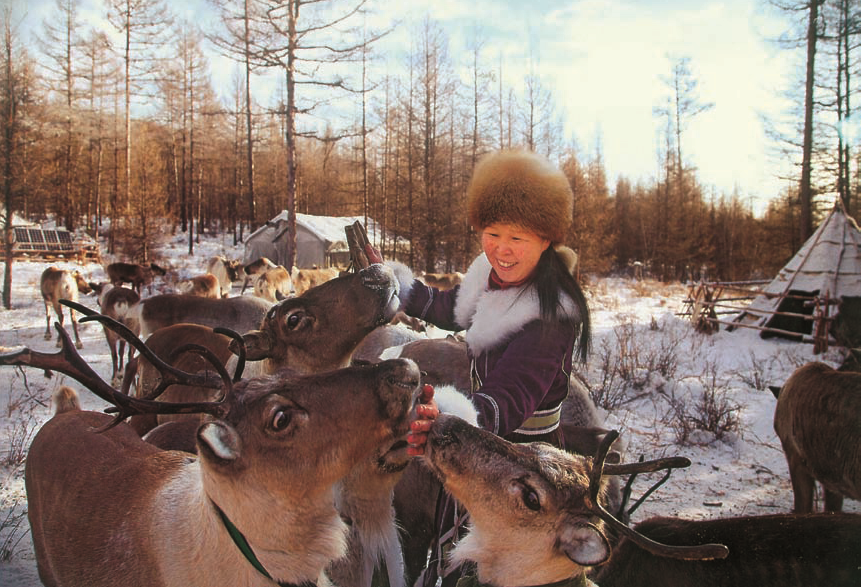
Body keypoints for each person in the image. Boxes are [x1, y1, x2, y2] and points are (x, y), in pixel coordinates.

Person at [374, 149, 591, 587]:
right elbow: (453, 308)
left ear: (547, 239)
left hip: (522, 476)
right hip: (483, 456)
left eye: (519, 237)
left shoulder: (551, 316)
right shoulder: (494, 276)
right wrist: (402, 285)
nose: (502, 249)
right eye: (492, 233)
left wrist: (455, 421)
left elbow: (506, 402)